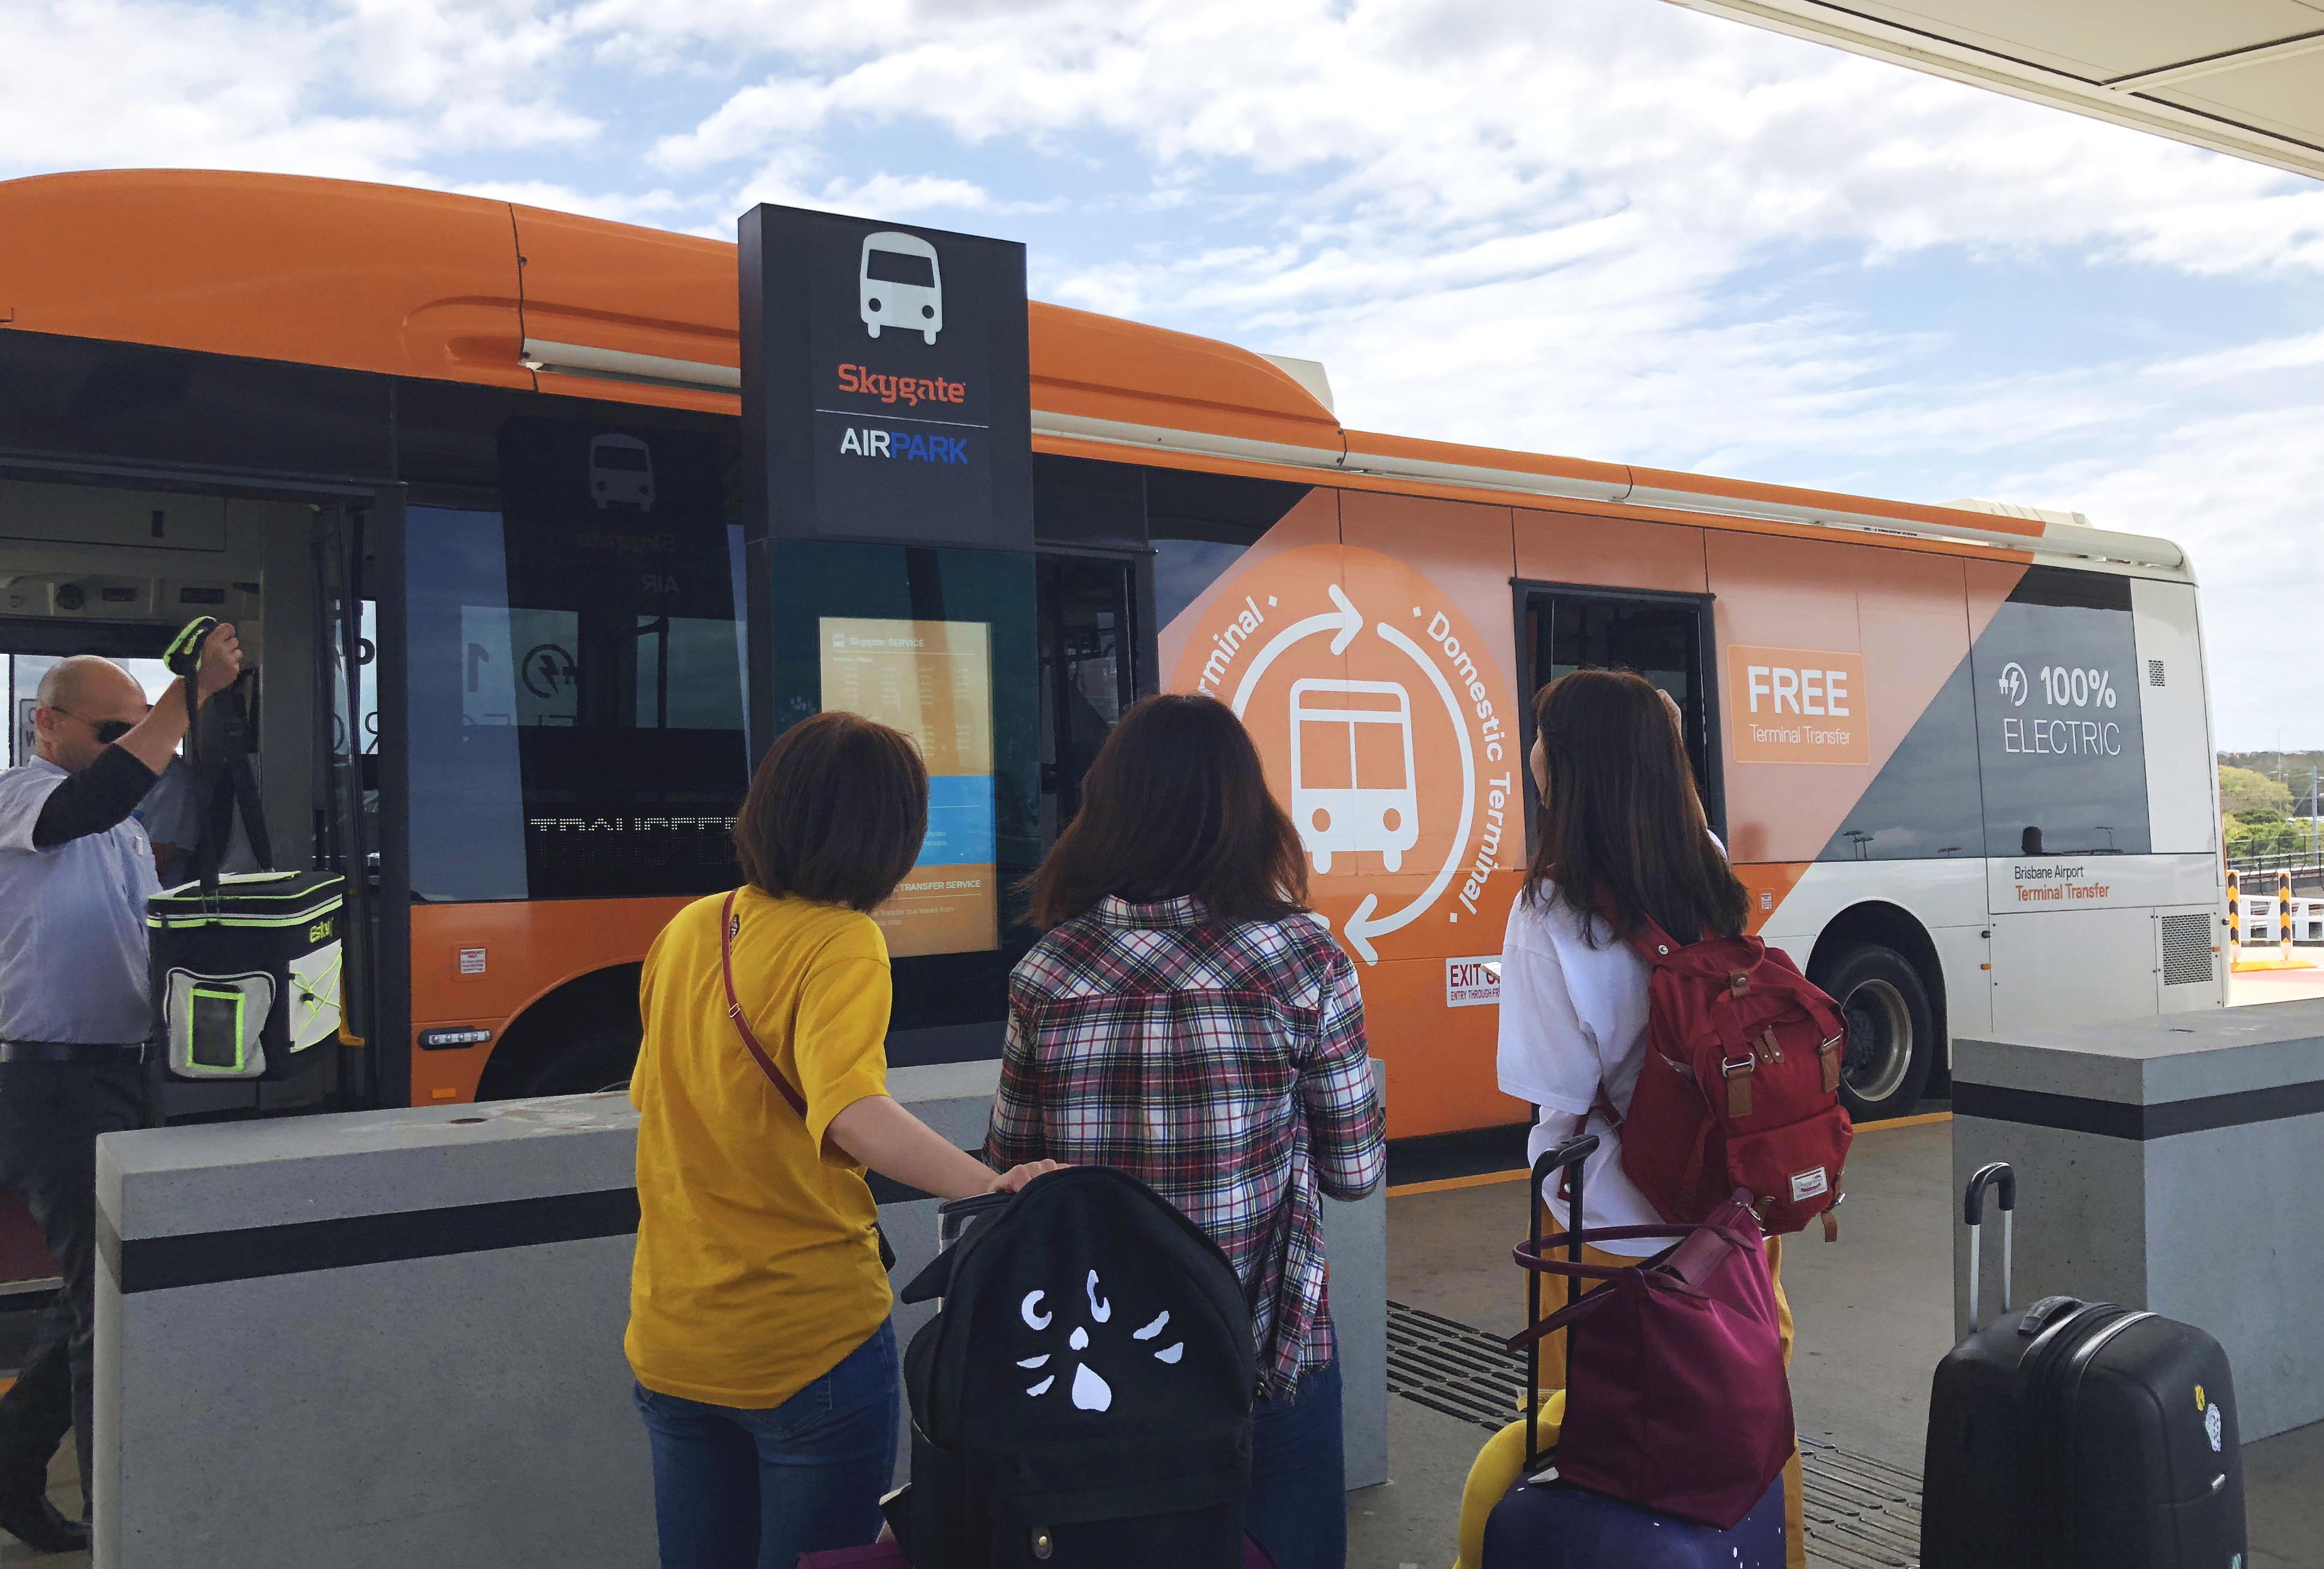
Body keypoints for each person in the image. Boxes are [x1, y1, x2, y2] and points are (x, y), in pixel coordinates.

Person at [625, 711, 1055, 1569]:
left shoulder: (691, 928)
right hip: (802, 1342)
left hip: (673, 1338)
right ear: (889, 837)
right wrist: (992, 1186)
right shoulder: (843, 942)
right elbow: (851, 1110)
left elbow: (659, 1096)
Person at [988, 693, 1387, 1569]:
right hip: (1267, 1357)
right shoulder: (1305, 959)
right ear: (1245, 812)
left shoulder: (1046, 972)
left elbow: (1011, 1175)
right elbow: (1355, 1170)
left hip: (1100, 1369)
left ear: (1106, 811)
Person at [1494, 668, 1805, 1568]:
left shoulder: (1549, 912)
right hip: (1733, 1212)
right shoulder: (1703, 865)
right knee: (1748, 1414)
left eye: (1544, 736)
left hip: (1612, 1241)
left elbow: (1551, 1087)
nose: (1532, 752)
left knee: (1611, 1448)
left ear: (1572, 766)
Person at [0, 627, 243, 1554]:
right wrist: (190, 693)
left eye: (140, 730)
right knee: (109, 1310)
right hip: (51, 1082)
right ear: (47, 724)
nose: (137, 750)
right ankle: (121, 1530)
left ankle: (12, 1465)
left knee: (93, 1290)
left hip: (122, 1072)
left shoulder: (127, 829)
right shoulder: (24, 796)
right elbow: (91, 800)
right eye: (115, 731)